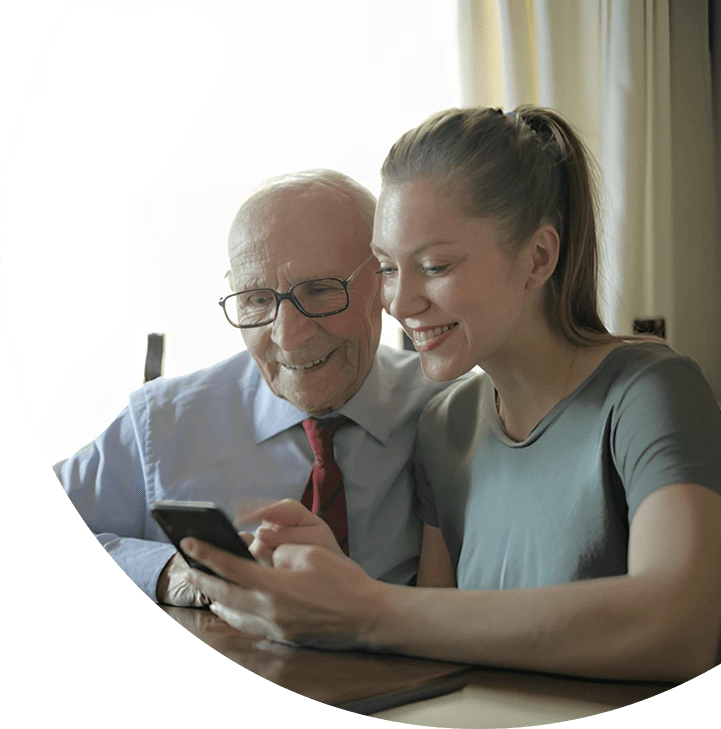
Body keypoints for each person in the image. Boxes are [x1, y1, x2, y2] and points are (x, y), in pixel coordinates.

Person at [183, 107, 721, 683]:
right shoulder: (447, 425)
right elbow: (435, 642)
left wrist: (366, 607)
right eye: (387, 268)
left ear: (538, 257)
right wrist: (336, 585)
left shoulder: (650, 392)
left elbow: (678, 631)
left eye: (436, 266)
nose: (400, 302)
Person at [57, 170, 456, 606]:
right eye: (257, 300)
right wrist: (163, 572)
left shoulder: (454, 412)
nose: (288, 336)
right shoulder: (163, 423)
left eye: (321, 291)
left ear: (385, 281)